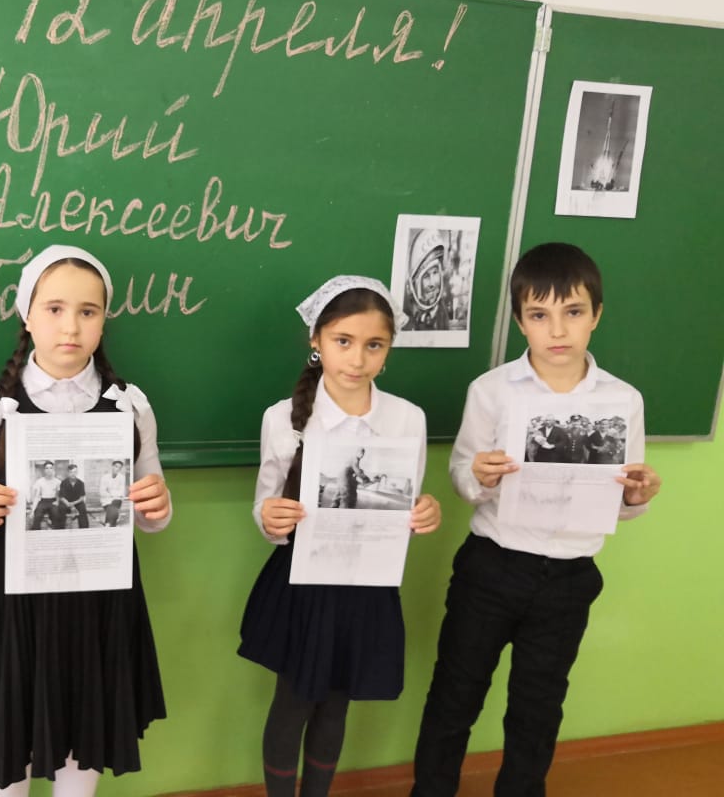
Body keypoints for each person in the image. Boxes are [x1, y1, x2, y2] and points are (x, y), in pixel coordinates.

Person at [410, 242, 662, 797]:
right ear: (520, 321)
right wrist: (480, 474)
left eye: (573, 312)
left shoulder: (622, 401)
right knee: (455, 695)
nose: (558, 330)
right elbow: (463, 477)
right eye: (539, 315)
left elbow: (624, 498)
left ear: (596, 315)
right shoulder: (492, 390)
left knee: (538, 706)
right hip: (492, 568)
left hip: (570, 577)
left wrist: (638, 493)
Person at [0, 244, 172, 796]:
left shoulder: (130, 404)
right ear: (27, 314)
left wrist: (158, 506)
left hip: (100, 601)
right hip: (15, 603)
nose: (71, 326)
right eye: (55, 309)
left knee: (84, 736)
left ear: (104, 320)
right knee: (8, 736)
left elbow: (153, 508)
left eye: (88, 311)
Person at [238, 276, 441, 797]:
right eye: (343, 341)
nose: (357, 359)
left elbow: (408, 499)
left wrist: (424, 511)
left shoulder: (408, 418)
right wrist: (270, 518)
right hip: (302, 582)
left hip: (366, 582)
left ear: (388, 349)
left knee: (336, 703)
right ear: (317, 341)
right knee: (293, 702)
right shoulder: (282, 418)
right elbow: (264, 504)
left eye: (374, 345)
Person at [402, 229, 452, 331]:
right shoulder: (406, 317)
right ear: (416, 283)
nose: (432, 283)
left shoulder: (442, 312)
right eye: (426, 276)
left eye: (435, 272)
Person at [28, 460, 62, 530]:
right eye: (47, 468)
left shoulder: (57, 482)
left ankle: (55, 532)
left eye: (50, 468)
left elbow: (60, 495)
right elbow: (37, 496)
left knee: (56, 514)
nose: (49, 470)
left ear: (53, 469)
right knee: (37, 514)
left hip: (53, 501)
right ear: (44, 470)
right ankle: (36, 532)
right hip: (43, 501)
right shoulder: (40, 481)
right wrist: (32, 510)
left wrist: (58, 501)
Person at [59, 463, 89, 529]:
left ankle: (84, 529)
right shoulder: (63, 482)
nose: (73, 474)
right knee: (61, 508)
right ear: (68, 473)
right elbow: (61, 497)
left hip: (77, 502)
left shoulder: (81, 483)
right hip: (66, 503)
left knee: (82, 508)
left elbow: (82, 498)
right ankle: (60, 529)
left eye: (75, 472)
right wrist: (68, 504)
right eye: (71, 472)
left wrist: (73, 503)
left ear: (77, 472)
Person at [98, 460, 126, 527]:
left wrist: (110, 492)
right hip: (106, 501)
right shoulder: (105, 477)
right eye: (116, 466)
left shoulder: (122, 478)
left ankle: (107, 524)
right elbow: (102, 492)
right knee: (113, 509)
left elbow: (122, 492)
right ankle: (110, 524)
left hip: (117, 500)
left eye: (119, 468)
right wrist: (114, 494)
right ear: (112, 467)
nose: (117, 469)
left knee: (114, 505)